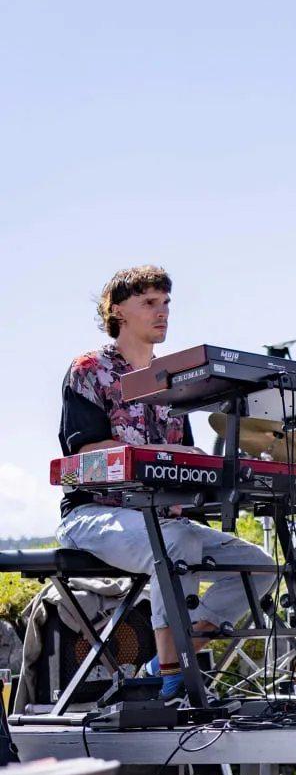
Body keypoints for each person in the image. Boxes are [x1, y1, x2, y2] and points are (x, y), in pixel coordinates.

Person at [55, 266, 277, 700]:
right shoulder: (89, 370)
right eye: (149, 303)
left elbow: (187, 466)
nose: (163, 312)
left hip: (163, 521)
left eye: (166, 303)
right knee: (176, 543)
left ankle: (167, 665)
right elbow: (81, 454)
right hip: (93, 515)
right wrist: (170, 458)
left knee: (262, 567)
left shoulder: (174, 381)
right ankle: (175, 684)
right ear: (117, 311)